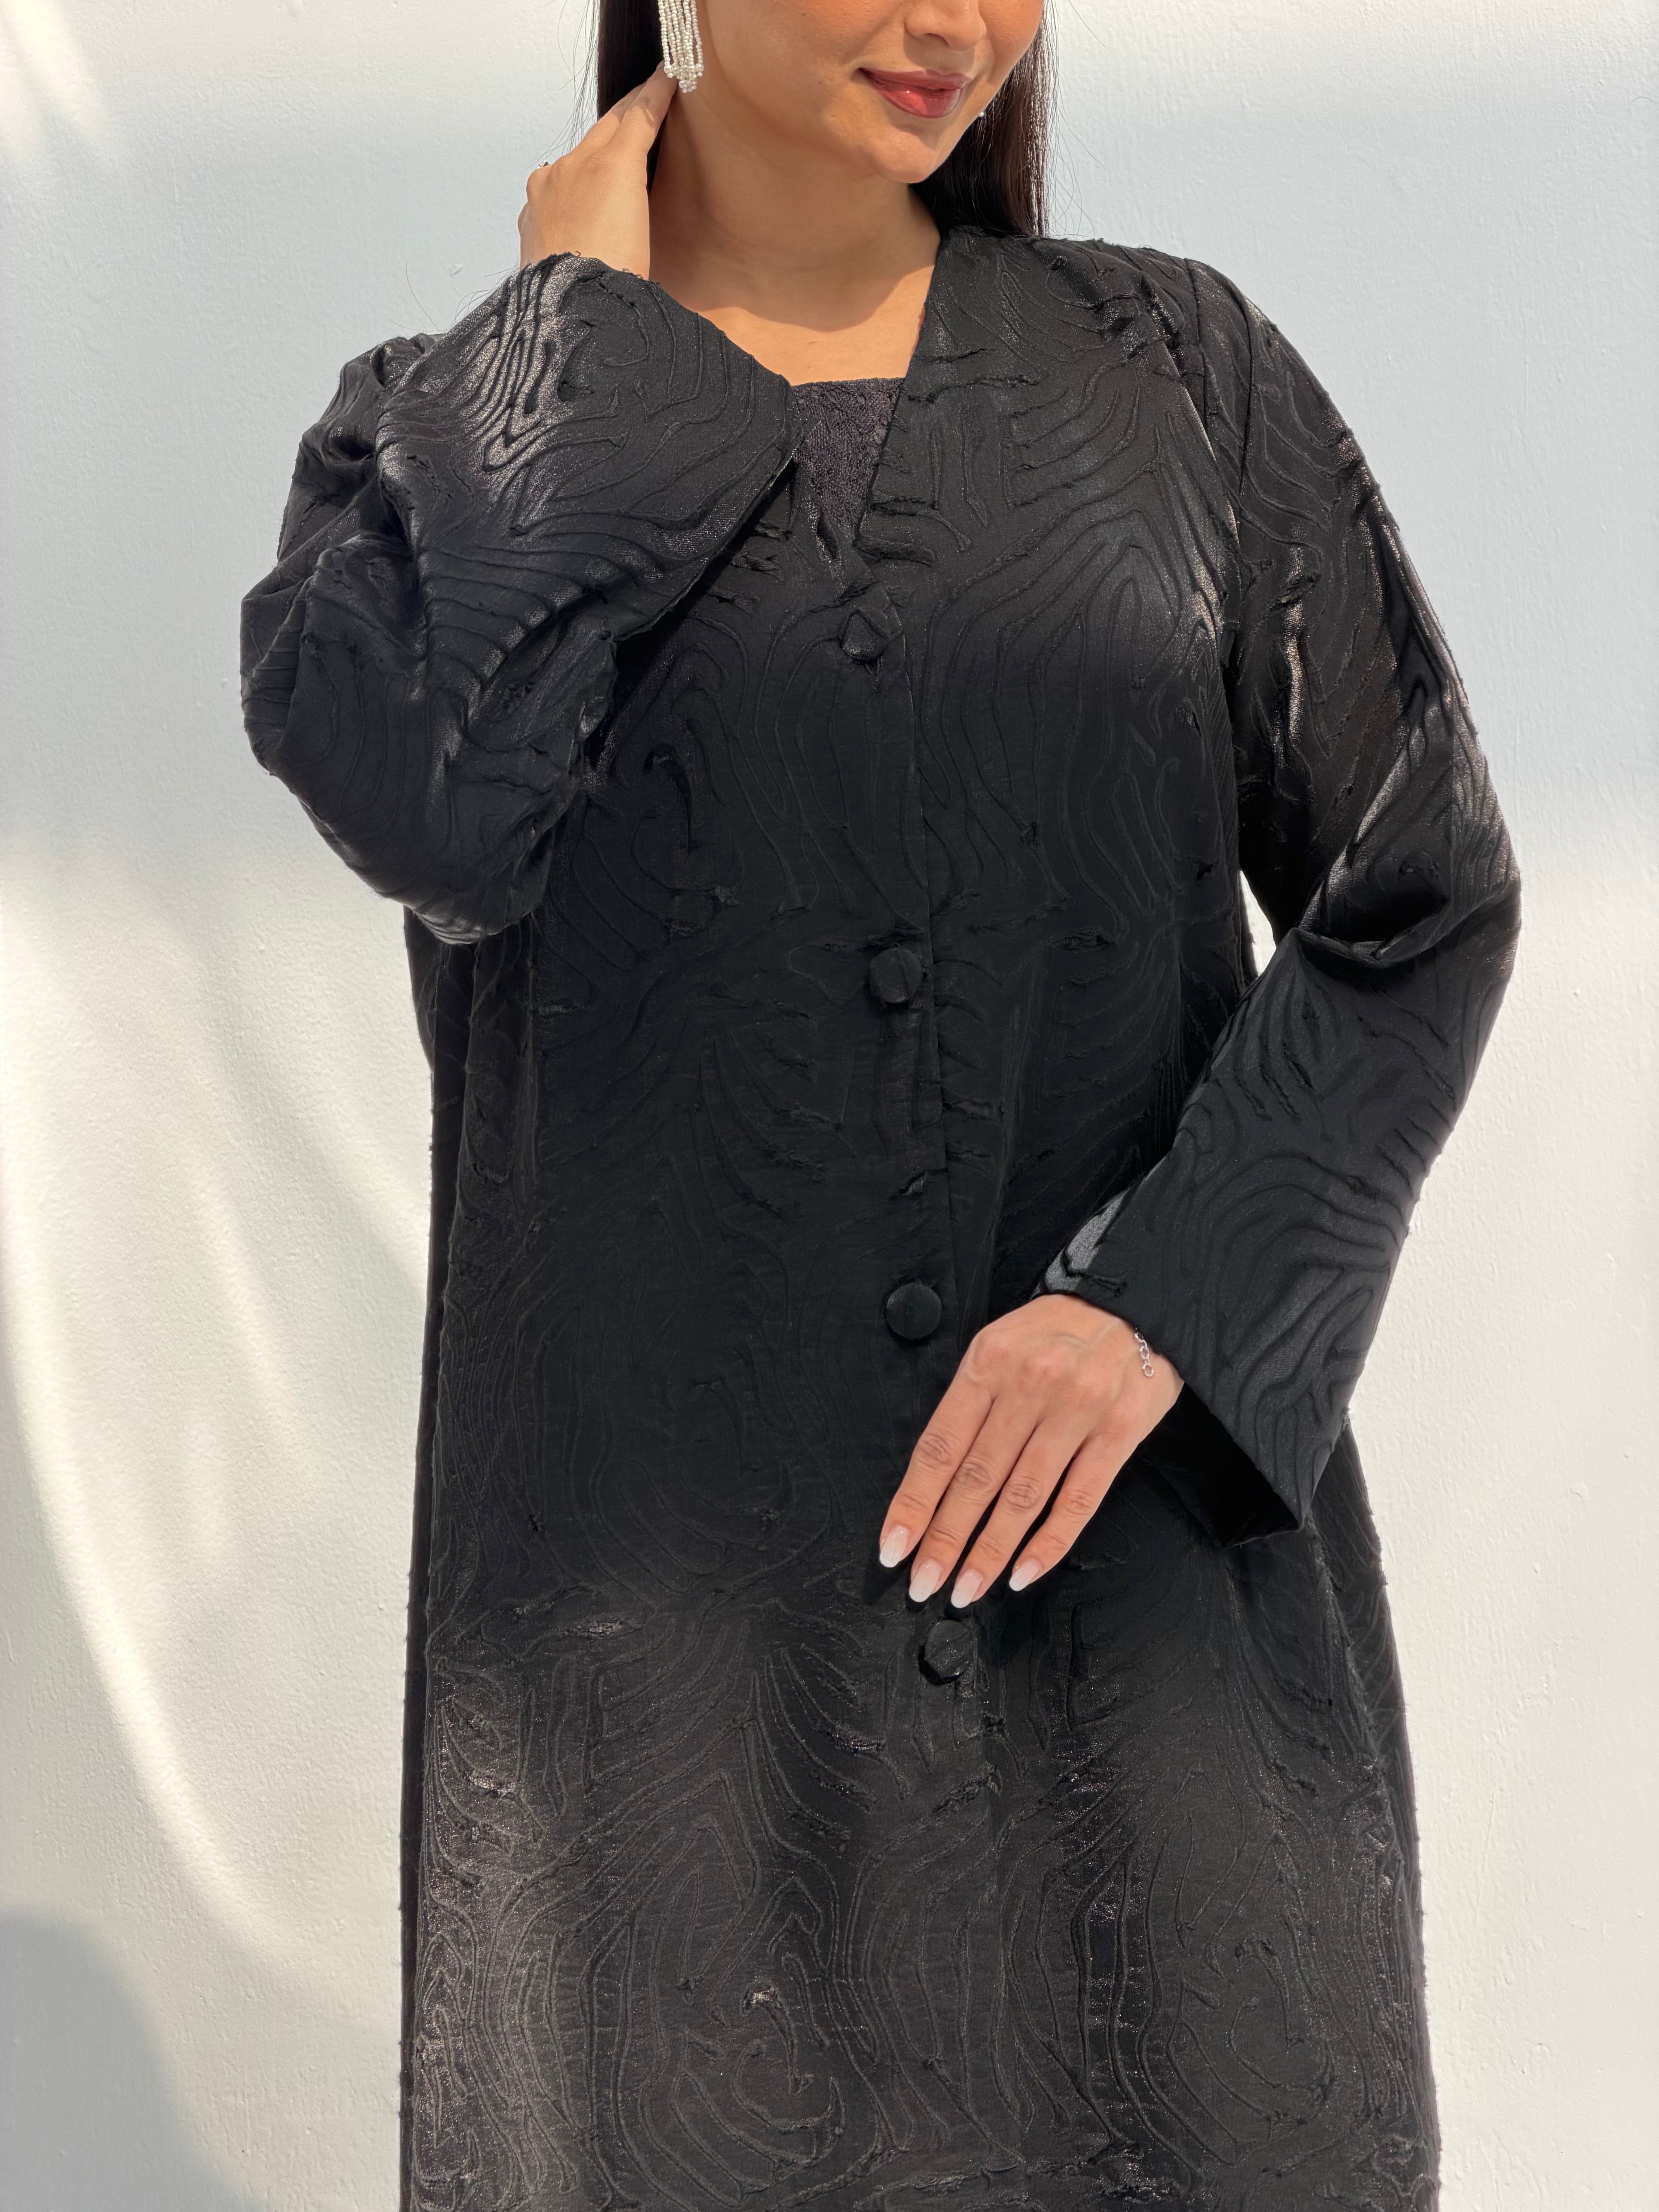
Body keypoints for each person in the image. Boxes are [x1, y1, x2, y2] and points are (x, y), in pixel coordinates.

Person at [239, 0, 1523, 2203]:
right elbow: (427, 798)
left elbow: (1420, 890)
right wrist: (575, 335)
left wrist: (1167, 1299)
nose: (955, 24)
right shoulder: (428, 442)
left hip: (1147, 1666)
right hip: (672, 1733)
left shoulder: (1183, 387)